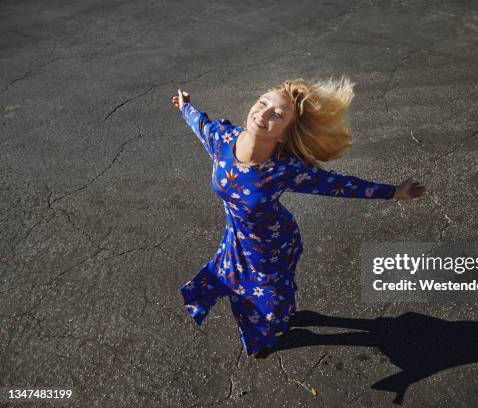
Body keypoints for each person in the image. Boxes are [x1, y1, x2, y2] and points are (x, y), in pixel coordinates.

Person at [171, 76, 426, 358]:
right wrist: (185, 106)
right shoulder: (222, 138)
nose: (263, 113)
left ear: (283, 134)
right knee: (234, 286)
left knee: (267, 301)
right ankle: (271, 322)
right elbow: (200, 124)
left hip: (272, 246)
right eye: (262, 103)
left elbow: (339, 185)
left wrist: (393, 192)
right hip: (236, 237)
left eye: (277, 114)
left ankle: (267, 335)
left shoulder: (285, 169)